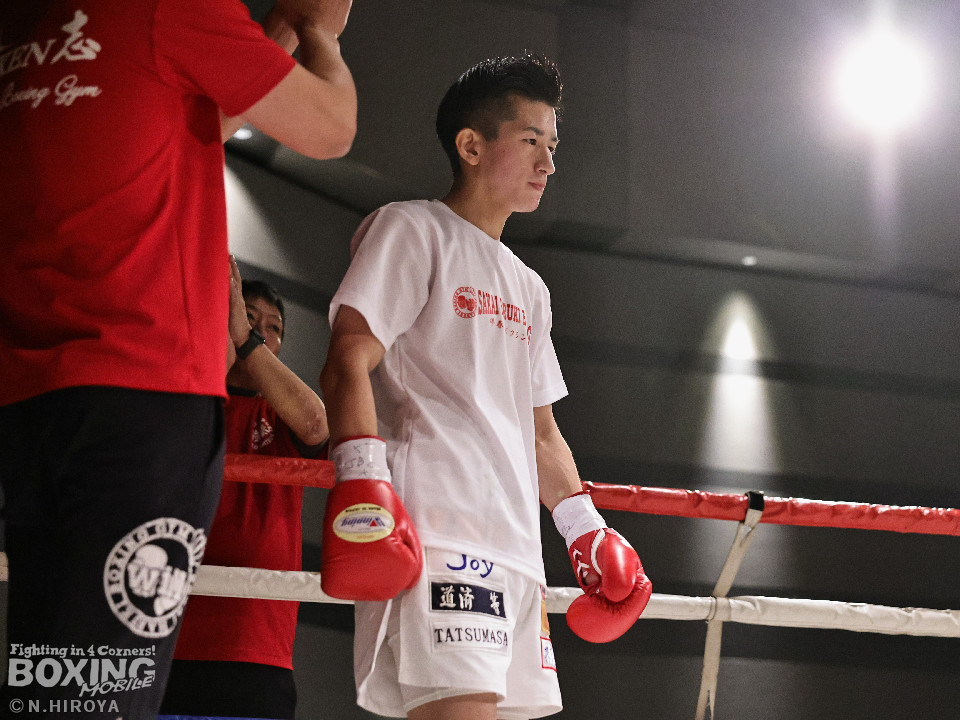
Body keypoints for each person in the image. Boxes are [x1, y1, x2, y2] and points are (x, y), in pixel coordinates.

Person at [0, 0, 355, 715]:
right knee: (97, 692)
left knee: (48, 680)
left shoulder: (22, 26)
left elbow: (195, 115)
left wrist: (277, 33)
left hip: (32, 395)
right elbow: (331, 125)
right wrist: (317, 25)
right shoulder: (170, 7)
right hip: (143, 399)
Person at [318, 53, 653, 720]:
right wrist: (361, 481)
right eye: (531, 141)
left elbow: (540, 432)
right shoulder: (411, 228)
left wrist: (586, 531)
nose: (548, 163)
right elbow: (348, 356)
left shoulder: (530, 286)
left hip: (517, 549)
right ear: (471, 146)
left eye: (552, 145)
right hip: (439, 532)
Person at [160, 260, 328, 719]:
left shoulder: (282, 417)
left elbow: (316, 425)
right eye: (247, 316)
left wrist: (246, 339)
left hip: (254, 651)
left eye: (273, 328)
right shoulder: (180, 402)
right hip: (163, 638)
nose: (259, 332)